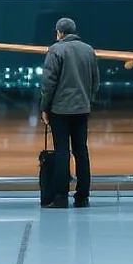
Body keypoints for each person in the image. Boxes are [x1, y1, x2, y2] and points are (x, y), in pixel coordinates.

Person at [39, 17, 100, 209]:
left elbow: (48, 84)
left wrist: (44, 108)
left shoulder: (56, 50)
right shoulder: (89, 50)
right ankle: (82, 196)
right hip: (82, 109)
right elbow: (95, 81)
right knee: (81, 151)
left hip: (60, 110)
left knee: (62, 152)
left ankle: (60, 197)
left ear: (59, 32)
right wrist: (87, 101)